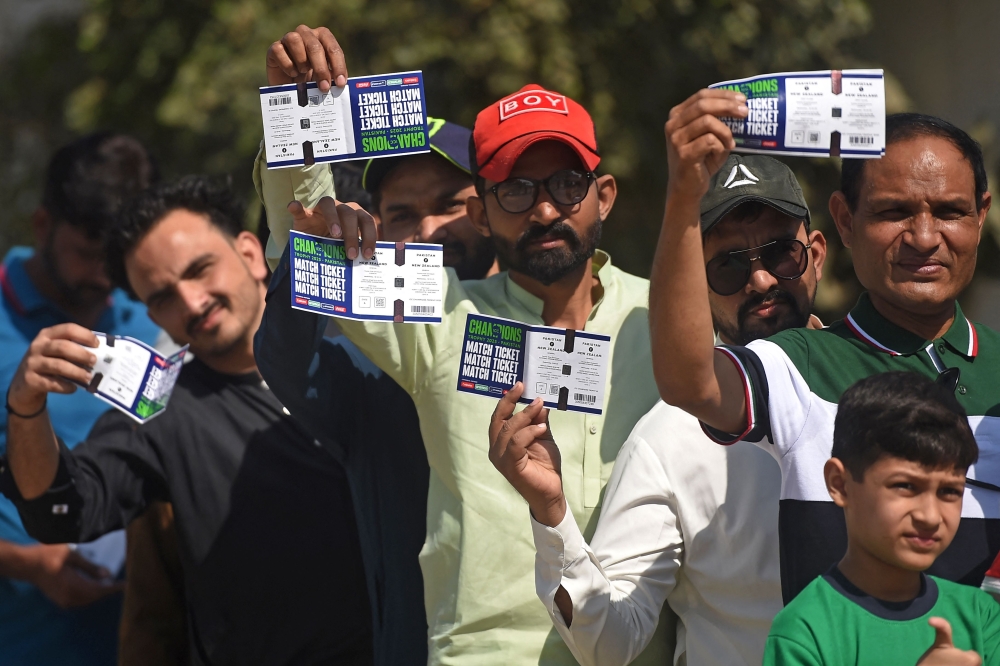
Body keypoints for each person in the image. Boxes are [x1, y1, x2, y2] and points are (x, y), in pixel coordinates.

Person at [254, 24, 673, 666]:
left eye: (565, 185)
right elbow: (304, 243)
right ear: (482, 213)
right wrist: (298, 111)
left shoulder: (668, 315)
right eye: (514, 190)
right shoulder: (438, 312)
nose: (543, 211)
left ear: (604, 196)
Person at [0, 176, 373, 665]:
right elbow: (61, 510)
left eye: (200, 270)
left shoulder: (374, 355)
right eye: (162, 297)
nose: (193, 304)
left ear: (249, 252)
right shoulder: (160, 406)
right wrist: (25, 407)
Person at [649, 91, 1000, 603]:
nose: (924, 237)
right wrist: (683, 196)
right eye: (894, 212)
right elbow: (689, 381)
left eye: (949, 211)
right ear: (844, 219)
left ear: (980, 215)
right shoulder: (798, 365)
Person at [489, 155, 828, 665]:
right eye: (729, 264)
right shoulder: (668, 438)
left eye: (781, 254)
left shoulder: (886, 393)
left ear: (816, 254)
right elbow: (610, 643)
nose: (760, 282)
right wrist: (552, 513)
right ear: (693, 282)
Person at [255, 39, 500, 659]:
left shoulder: (573, 330)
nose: (426, 231)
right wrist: (297, 108)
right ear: (374, 226)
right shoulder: (368, 367)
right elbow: (288, 358)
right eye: (401, 214)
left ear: (494, 209)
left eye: (450, 205)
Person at [0, 133, 160, 666]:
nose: (106, 278)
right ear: (43, 225)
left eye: (118, 259)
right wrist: (30, 566)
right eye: (89, 253)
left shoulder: (158, 322)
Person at [764, 371, 1000, 666]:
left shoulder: (981, 615)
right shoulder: (804, 630)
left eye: (950, 491)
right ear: (839, 484)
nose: (929, 516)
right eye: (905, 486)